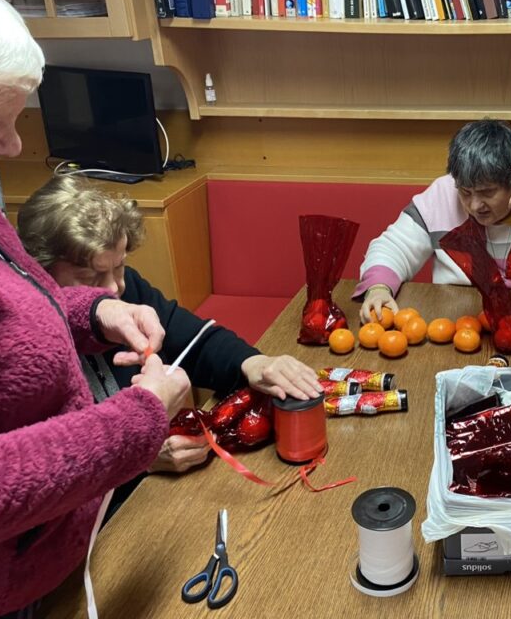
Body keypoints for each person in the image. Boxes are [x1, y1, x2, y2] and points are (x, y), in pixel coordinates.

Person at [0, 0, 192, 617]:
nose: (14, 146)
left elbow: (22, 314)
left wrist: (99, 312)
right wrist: (142, 417)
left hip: (58, 558)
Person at [18, 174, 322, 480]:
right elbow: (43, 473)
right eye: (90, 277)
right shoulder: (23, 345)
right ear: (39, 271)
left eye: (119, 266)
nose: (113, 288)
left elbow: (196, 340)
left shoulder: (128, 289)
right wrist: (141, 459)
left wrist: (254, 362)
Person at [355, 118, 511, 321]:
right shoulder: (444, 191)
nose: (475, 205)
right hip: (458, 320)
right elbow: (394, 246)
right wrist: (378, 288)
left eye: (487, 192)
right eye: (465, 192)